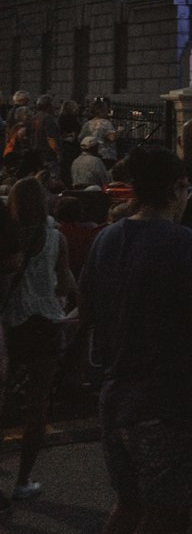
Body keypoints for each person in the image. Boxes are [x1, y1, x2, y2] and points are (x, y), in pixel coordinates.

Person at [79, 146, 192, 534]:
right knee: (164, 514)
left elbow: (87, 307)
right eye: (186, 189)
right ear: (175, 188)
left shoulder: (107, 239)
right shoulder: (183, 243)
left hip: (117, 393)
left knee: (130, 505)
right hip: (169, 400)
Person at [1, 177, 75, 502]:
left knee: (4, 401)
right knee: (37, 405)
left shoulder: (9, 239)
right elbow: (64, 284)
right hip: (46, 326)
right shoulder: (56, 239)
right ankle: (23, 480)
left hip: (12, 325)